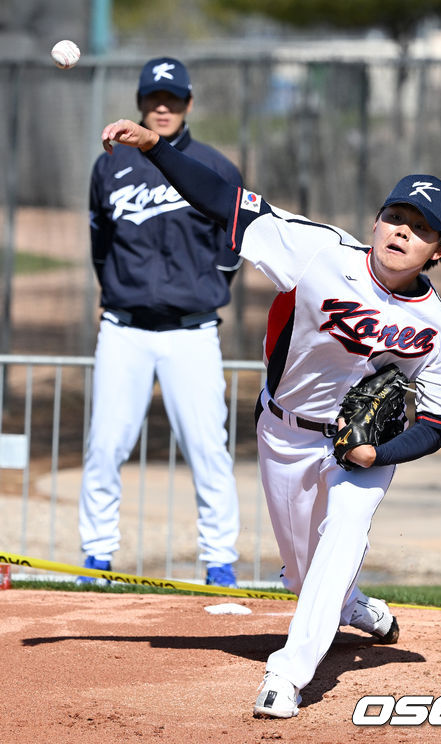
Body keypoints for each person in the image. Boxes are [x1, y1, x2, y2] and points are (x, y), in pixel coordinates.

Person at [99, 117, 441, 718]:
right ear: (376, 222)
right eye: (397, 218)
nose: (404, 233)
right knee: (306, 579)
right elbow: (229, 203)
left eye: (422, 229)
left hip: (355, 451)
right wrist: (156, 150)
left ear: (440, 249)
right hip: (282, 432)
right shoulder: (318, 252)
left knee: (345, 532)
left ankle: (289, 675)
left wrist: (377, 455)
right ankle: (350, 604)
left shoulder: (437, 330)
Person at [78, 58, 243, 589]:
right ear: (141, 103)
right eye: (154, 98)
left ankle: (220, 562)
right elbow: (100, 245)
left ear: (189, 104)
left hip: (191, 333)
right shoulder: (110, 167)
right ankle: (96, 559)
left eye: (172, 99)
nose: (162, 107)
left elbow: (233, 247)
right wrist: (120, 292)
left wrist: (201, 289)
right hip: (124, 329)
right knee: (105, 445)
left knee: (207, 448)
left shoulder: (214, 166)